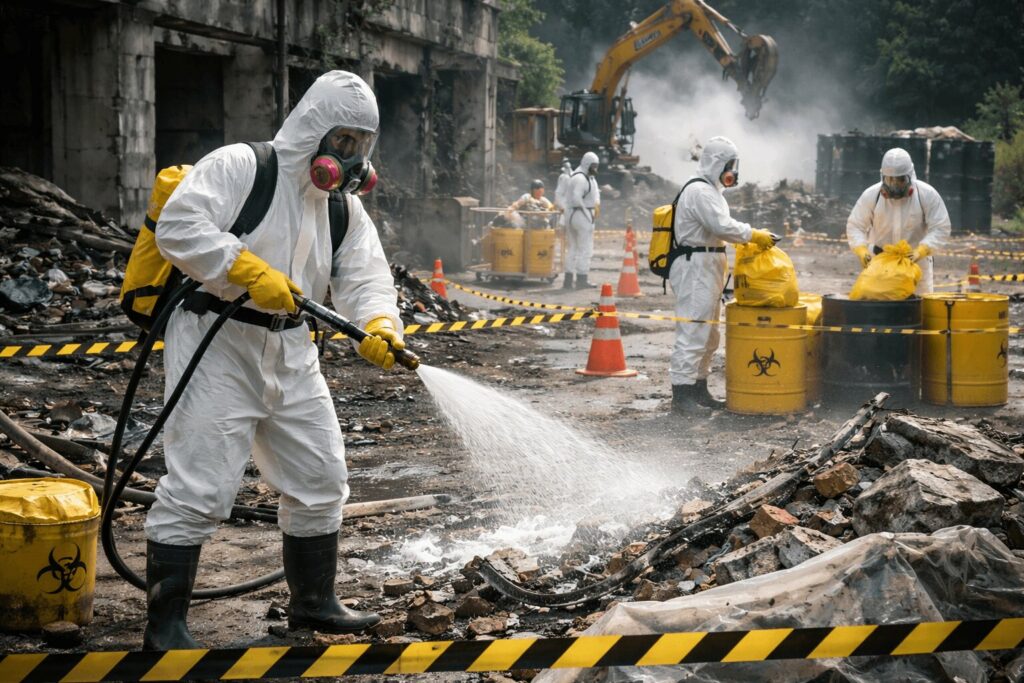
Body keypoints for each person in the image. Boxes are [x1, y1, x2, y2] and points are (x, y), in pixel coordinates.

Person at [143, 71, 402, 649]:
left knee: (320, 477)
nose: (351, 158)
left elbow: (366, 277)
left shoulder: (341, 207)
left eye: (362, 145)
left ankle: (312, 604)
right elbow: (181, 228)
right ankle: (165, 628)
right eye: (343, 141)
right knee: (201, 485)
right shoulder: (242, 167)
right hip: (218, 340)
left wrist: (379, 323)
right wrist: (244, 269)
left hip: (292, 349)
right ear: (314, 129)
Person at [670, 136, 775, 413]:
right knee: (693, 330)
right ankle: (681, 396)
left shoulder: (712, 191)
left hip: (708, 263)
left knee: (709, 332)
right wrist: (754, 234)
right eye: (730, 164)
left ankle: (698, 389)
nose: (733, 170)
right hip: (696, 265)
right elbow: (721, 226)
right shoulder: (700, 191)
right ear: (718, 163)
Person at [846, 147, 951, 293]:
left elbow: (941, 227)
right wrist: (861, 249)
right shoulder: (872, 195)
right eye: (890, 180)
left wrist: (922, 250)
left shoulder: (926, 195)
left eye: (900, 180)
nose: (894, 185)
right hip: (880, 264)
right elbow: (855, 225)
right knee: (879, 309)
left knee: (918, 309)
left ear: (910, 176)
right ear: (882, 177)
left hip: (916, 264)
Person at [563, 152, 601, 289]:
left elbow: (595, 193)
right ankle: (581, 279)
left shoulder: (581, 176)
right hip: (581, 215)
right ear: (587, 164)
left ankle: (567, 280)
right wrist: (587, 212)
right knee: (585, 249)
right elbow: (576, 198)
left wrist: (596, 204)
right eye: (594, 166)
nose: (595, 169)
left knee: (572, 248)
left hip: (571, 215)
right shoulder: (581, 178)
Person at [554, 160, 572, 227]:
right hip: (563, 206)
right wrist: (562, 206)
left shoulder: (570, 177)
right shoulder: (564, 177)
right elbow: (558, 193)